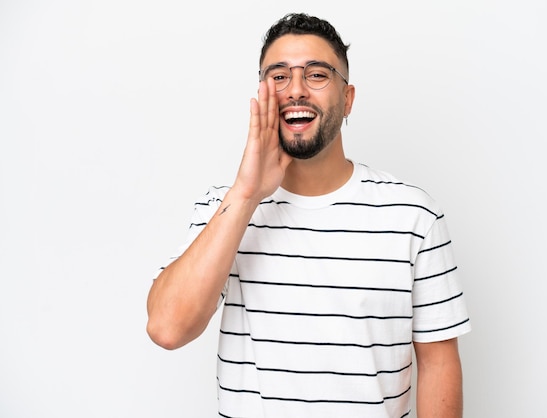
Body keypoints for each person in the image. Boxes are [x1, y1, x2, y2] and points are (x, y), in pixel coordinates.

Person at [146, 12, 471, 418]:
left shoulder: (413, 216)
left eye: (316, 74)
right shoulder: (224, 207)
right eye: (278, 76)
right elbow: (167, 328)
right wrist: (247, 193)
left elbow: (438, 363)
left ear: (348, 97)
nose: (295, 90)